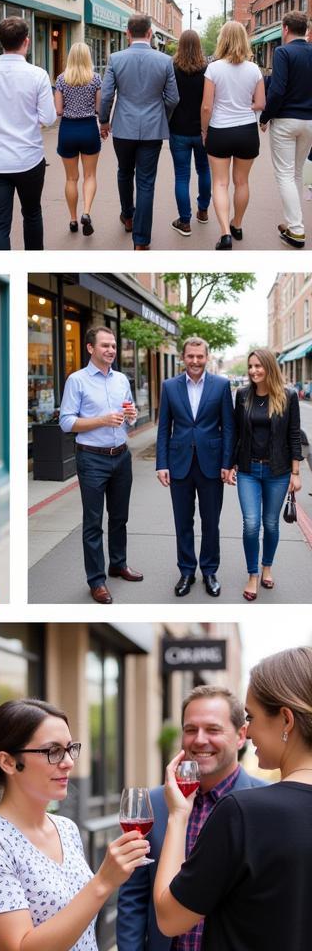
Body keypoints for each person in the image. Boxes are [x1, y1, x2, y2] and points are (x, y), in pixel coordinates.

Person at [153, 648, 312, 950]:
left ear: (286, 720)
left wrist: (177, 815)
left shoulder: (244, 813)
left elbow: (169, 918)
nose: (247, 732)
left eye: (251, 717)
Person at [0, 699, 149, 951]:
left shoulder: (66, 828)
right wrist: (104, 881)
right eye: (52, 751)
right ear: (8, 762)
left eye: (70, 749)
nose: (68, 762)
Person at [116, 685, 266, 951]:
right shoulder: (153, 803)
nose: (199, 740)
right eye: (190, 729)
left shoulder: (265, 803)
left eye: (213, 729)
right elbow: (133, 897)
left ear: (241, 736)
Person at [59, 326, 142, 604]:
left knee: (120, 517)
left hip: (121, 455)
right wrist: (101, 420)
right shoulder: (77, 380)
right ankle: (96, 580)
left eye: (114, 346)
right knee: (93, 522)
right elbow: (66, 422)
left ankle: (118, 564)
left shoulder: (121, 379)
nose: (111, 350)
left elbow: (130, 415)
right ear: (90, 348)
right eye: (105, 345)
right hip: (92, 458)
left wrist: (132, 415)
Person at [155, 337, 235, 598]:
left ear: (207, 357)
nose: (195, 361)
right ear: (183, 357)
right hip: (179, 465)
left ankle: (209, 571)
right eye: (190, 356)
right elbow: (164, 428)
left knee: (211, 522)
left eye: (200, 356)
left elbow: (228, 428)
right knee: (183, 522)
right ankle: (187, 571)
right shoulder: (169, 387)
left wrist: (227, 463)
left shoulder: (222, 385)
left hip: (211, 465)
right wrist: (161, 464)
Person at [0, 15, 56, 250]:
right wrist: (28, 120)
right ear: (26, 42)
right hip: (29, 159)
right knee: (32, 214)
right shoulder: (38, 75)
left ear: (0, 41)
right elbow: (48, 117)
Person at [98, 14, 179, 250]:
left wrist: (104, 121)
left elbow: (106, 96)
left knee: (124, 171)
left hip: (123, 127)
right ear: (151, 33)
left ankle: (128, 216)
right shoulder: (165, 61)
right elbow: (173, 99)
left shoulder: (115, 58)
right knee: (146, 182)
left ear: (127, 34)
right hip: (153, 129)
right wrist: (159, 114)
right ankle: (141, 241)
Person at [230, 347, 303, 601]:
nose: (253, 371)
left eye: (258, 366)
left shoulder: (288, 396)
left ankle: (267, 567)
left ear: (269, 367)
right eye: (250, 366)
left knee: (270, 523)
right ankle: (252, 574)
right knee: (251, 524)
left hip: (278, 471)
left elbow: (294, 435)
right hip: (248, 470)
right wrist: (229, 465)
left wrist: (296, 472)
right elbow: (236, 434)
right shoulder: (242, 395)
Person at [201, 21, 265, 250]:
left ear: (222, 40)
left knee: (220, 183)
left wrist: (204, 130)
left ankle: (225, 233)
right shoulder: (254, 69)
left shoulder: (214, 68)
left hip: (220, 130)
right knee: (242, 182)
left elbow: (207, 107)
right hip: (247, 131)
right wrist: (244, 109)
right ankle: (237, 224)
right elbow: (261, 103)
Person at [260, 11, 312, 249]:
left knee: (284, 174)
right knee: (297, 173)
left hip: (285, 121)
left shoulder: (283, 52)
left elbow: (277, 90)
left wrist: (265, 116)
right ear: (307, 31)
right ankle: (294, 224)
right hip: (309, 122)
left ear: (285, 29)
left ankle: (297, 229)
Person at [54, 42, 103, 236]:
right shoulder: (96, 79)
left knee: (71, 178)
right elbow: (99, 109)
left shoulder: (61, 80)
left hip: (68, 129)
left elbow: (58, 110)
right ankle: (86, 212)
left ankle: (73, 220)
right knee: (90, 176)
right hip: (89, 128)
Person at [168, 29, 212, 237]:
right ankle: (202, 211)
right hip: (202, 130)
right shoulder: (207, 69)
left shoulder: (173, 67)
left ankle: (184, 221)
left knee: (182, 176)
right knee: (204, 170)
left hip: (179, 129)